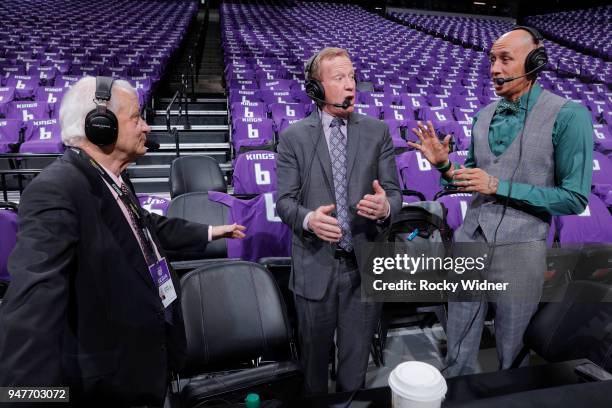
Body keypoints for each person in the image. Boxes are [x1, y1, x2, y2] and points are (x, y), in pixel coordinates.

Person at [0, 76, 246, 406]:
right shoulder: (55, 190)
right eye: (136, 117)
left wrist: (211, 231)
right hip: (107, 387)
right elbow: (33, 305)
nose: (146, 126)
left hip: (143, 368)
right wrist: (26, 397)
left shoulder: (112, 178)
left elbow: (144, 225)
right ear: (100, 126)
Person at [409, 27, 593, 376]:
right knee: (458, 346)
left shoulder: (570, 116)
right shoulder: (483, 115)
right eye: (492, 59)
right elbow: (475, 179)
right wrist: (446, 167)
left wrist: (499, 185)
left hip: (522, 249)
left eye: (505, 59)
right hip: (470, 239)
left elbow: (573, 198)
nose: (494, 68)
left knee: (514, 352)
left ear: (535, 62)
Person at [276, 47, 402, 394]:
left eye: (352, 77)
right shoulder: (294, 138)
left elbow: (393, 192)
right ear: (316, 88)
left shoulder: (377, 132)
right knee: (313, 368)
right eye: (339, 78)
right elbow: (283, 203)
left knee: (354, 368)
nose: (350, 85)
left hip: (363, 267)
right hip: (315, 267)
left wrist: (386, 207)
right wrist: (308, 220)